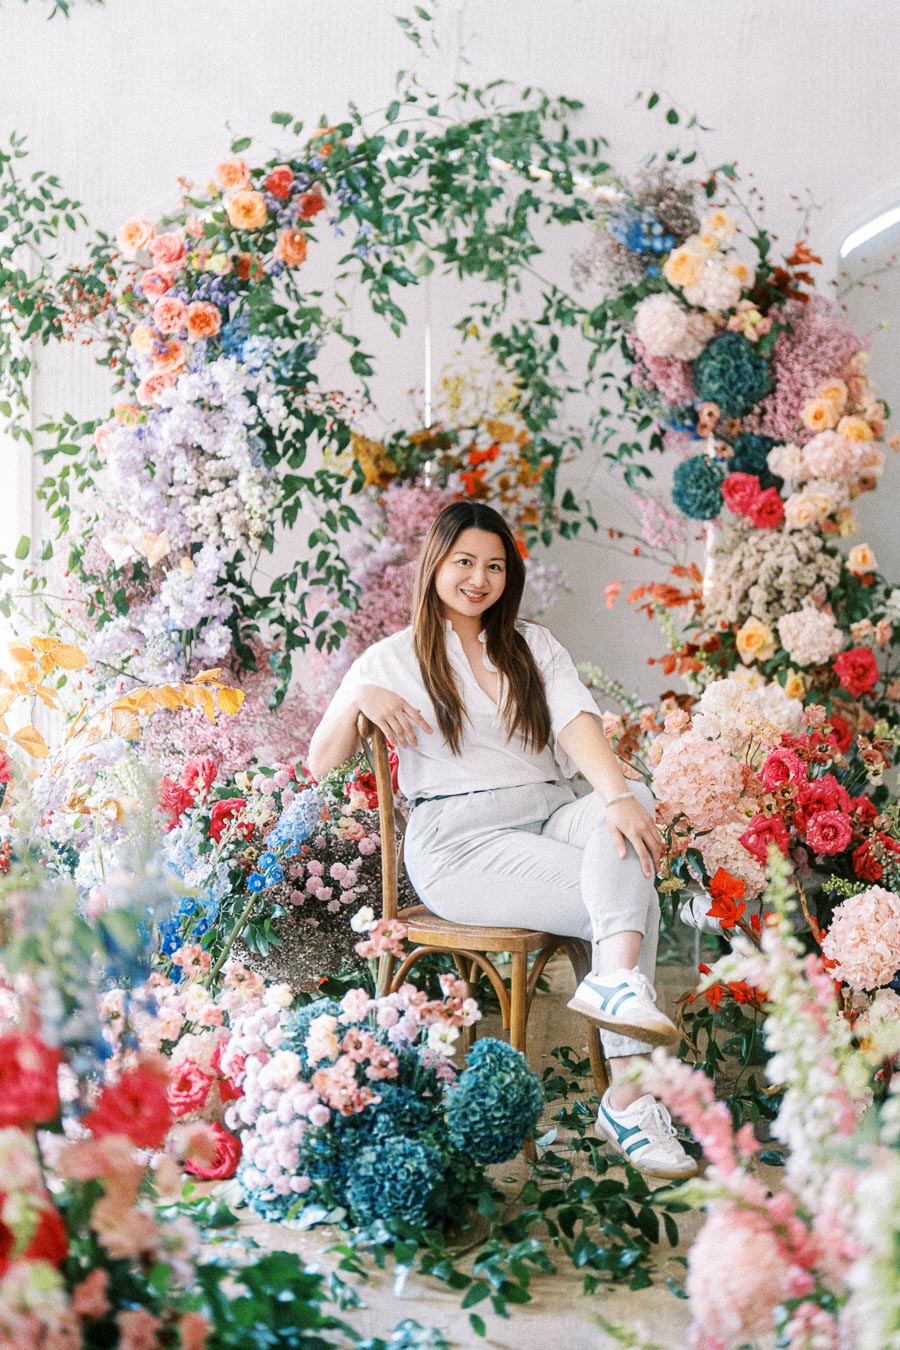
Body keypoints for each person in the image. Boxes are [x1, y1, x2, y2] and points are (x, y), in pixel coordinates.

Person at [308, 501, 696, 1178]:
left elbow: (577, 721)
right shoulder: (391, 659)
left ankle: (615, 997)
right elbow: (321, 762)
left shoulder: (532, 644)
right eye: (465, 562)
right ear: (435, 564)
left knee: (630, 812)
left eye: (494, 566)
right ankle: (629, 1093)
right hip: (461, 843)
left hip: (549, 812)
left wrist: (614, 794)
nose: (479, 578)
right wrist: (357, 697)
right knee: (626, 907)